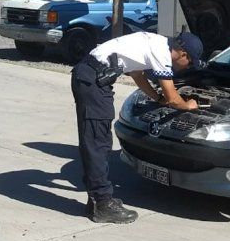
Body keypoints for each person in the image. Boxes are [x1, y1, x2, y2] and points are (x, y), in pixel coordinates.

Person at [70, 31, 204, 224]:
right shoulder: (161, 52)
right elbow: (173, 97)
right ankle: (103, 203)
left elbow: (137, 75)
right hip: (93, 80)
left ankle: (96, 201)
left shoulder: (155, 41)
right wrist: (189, 105)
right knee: (98, 142)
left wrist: (156, 98)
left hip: (92, 77)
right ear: (183, 54)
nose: (188, 67)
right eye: (191, 63)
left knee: (97, 141)